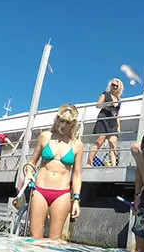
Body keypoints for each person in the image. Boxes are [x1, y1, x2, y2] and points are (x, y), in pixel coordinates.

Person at [18, 104, 83, 240]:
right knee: (35, 236)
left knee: (55, 239)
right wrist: (29, 173)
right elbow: (31, 162)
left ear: (73, 124)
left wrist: (76, 199)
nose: (63, 125)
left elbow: (76, 175)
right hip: (40, 189)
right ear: (57, 119)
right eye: (61, 120)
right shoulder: (45, 136)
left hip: (62, 193)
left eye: (68, 122)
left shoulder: (77, 145)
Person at [87, 79, 123, 167]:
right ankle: (89, 163)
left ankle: (113, 165)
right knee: (100, 141)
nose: (114, 87)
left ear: (119, 88)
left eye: (116, 86)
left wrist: (118, 126)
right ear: (110, 85)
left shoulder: (119, 100)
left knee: (113, 143)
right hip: (103, 119)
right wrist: (108, 104)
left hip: (113, 122)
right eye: (113, 85)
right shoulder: (105, 94)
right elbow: (98, 105)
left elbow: (117, 113)